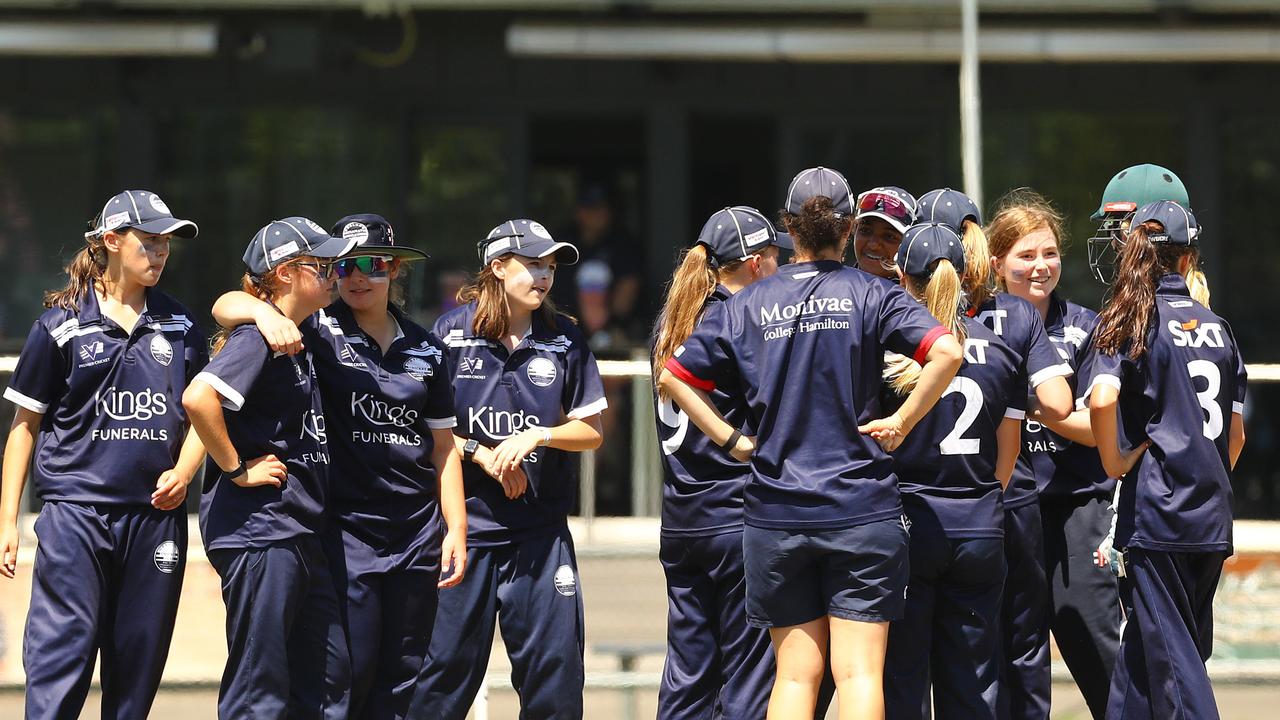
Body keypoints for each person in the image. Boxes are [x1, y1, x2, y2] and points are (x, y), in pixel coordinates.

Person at [658, 166, 964, 720]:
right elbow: (947, 352)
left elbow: (674, 376)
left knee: (795, 677)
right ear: (848, 229)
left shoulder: (748, 303)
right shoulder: (872, 292)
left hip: (775, 510)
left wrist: (733, 442)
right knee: (859, 676)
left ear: (788, 227)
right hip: (860, 507)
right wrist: (903, 421)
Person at [209, 213, 468, 718]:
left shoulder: (428, 348)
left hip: (417, 532)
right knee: (343, 674)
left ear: (394, 270)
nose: (356, 276)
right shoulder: (316, 325)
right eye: (343, 265)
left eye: (373, 264)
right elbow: (228, 305)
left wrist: (456, 526)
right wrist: (264, 315)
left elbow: (444, 448)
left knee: (404, 673)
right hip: (344, 531)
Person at [0, 191, 204, 720]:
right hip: (76, 516)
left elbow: (208, 412)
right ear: (111, 241)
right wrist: (7, 523)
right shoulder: (59, 325)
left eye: (166, 244)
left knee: (136, 669)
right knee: (61, 660)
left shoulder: (180, 325)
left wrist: (184, 471)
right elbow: (24, 427)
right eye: (149, 241)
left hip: (155, 520)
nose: (160, 253)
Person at [415, 218, 607, 719]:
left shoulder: (564, 336)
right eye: (533, 265)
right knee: (440, 684)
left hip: (541, 536)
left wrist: (537, 435)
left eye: (550, 267)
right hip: (466, 536)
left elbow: (591, 431)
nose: (544, 277)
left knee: (557, 685)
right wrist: (483, 453)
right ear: (498, 267)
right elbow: (425, 434)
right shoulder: (447, 336)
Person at [182, 217, 356, 719]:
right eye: (322, 264)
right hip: (261, 531)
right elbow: (198, 399)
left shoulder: (295, 331)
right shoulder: (259, 338)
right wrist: (236, 470)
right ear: (284, 273)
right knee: (259, 690)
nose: (335, 273)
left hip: (296, 530)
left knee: (326, 680)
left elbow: (225, 302)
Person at [1082, 200, 1245, 719]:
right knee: (1150, 658)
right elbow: (1234, 436)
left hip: (1159, 513)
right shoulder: (1219, 327)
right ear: (1188, 258)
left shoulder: (1131, 318)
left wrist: (1114, 461)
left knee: (1176, 669)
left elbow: (1102, 399)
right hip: (1210, 512)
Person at [881, 223, 1025, 720]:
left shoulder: (892, 352)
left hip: (910, 522)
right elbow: (1009, 451)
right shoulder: (1000, 350)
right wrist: (982, 499)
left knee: (903, 680)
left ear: (902, 279)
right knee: (973, 683)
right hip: (980, 523)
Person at [651, 206, 791, 719]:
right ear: (755, 263)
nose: (782, 266)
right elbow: (678, 381)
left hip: (682, 518)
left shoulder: (676, 315)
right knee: (749, 680)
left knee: (688, 677)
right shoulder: (740, 316)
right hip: (735, 512)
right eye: (776, 256)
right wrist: (736, 440)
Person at [984, 190, 1118, 719]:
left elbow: (1104, 430)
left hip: (1075, 507)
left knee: (1096, 646)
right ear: (996, 263)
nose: (1041, 266)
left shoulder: (1086, 326)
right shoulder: (977, 325)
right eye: (1026, 255)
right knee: (1009, 656)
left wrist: (1042, 411)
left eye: (1050, 254)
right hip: (1004, 507)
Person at [853, 186, 919, 280]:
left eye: (889, 236)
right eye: (865, 231)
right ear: (854, 230)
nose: (873, 245)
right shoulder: (834, 287)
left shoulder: (920, 294)